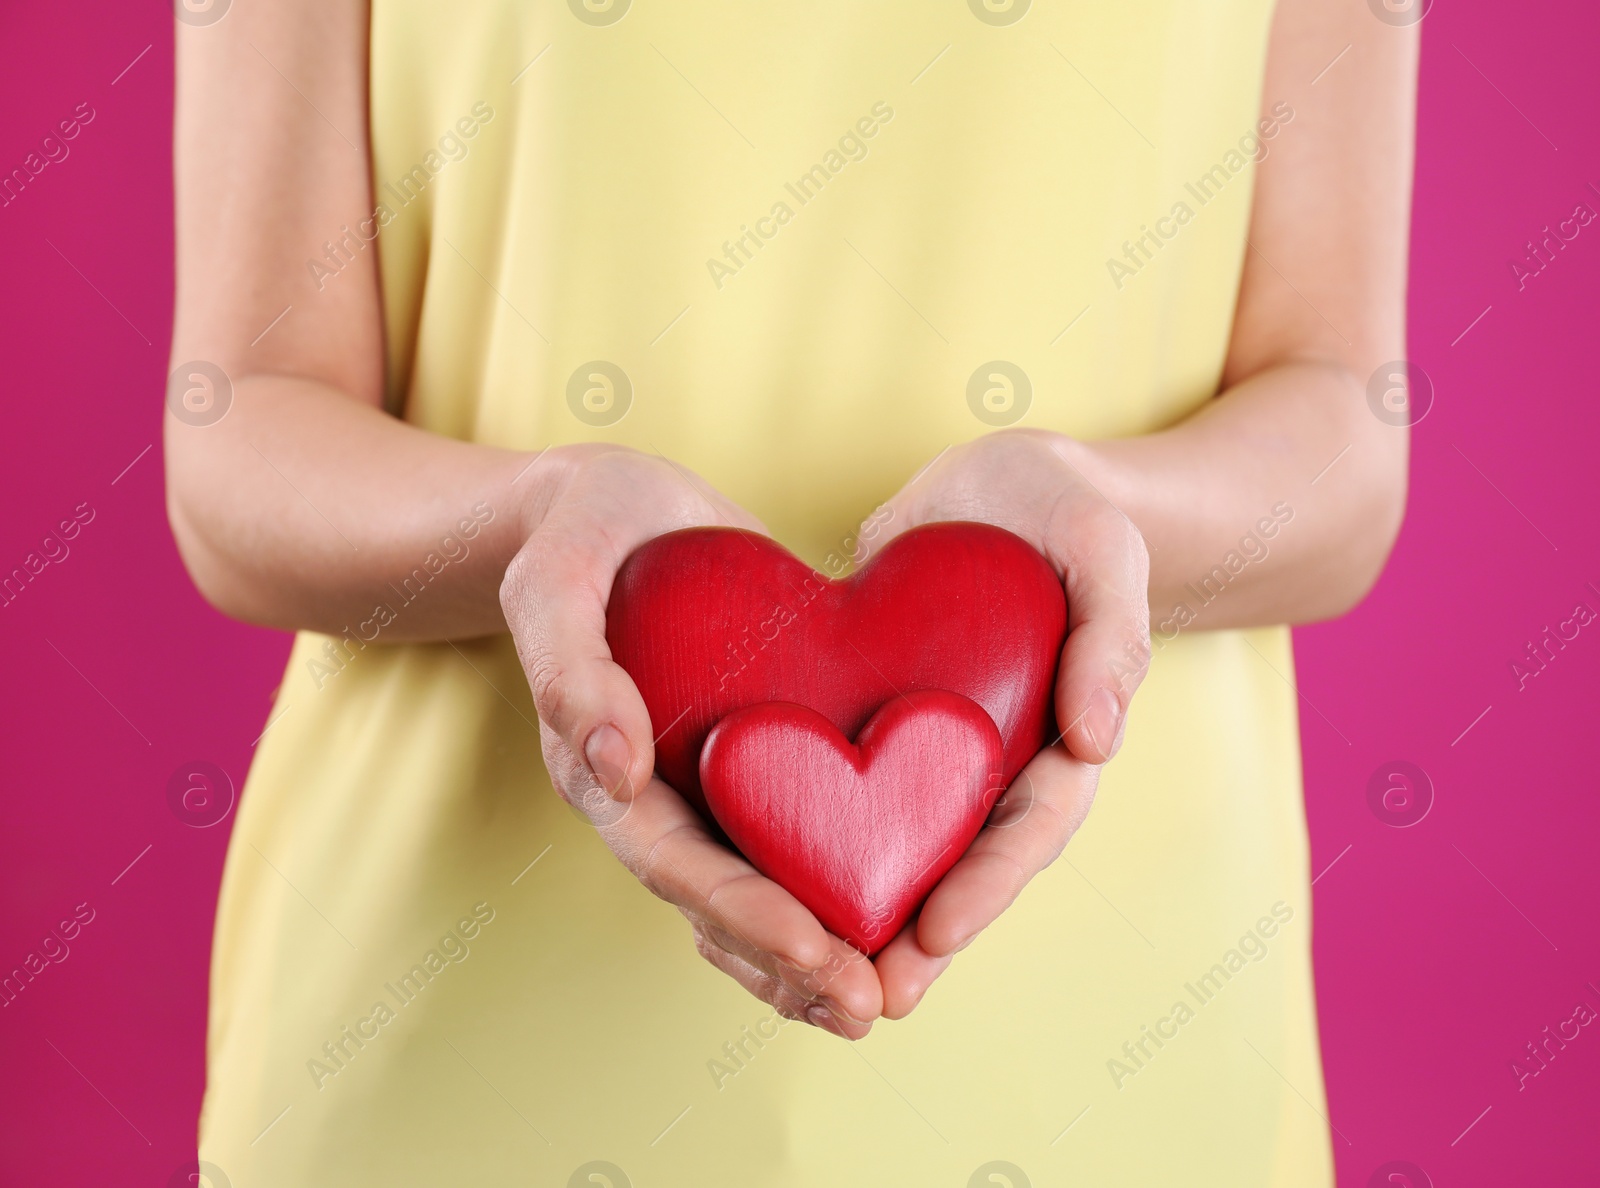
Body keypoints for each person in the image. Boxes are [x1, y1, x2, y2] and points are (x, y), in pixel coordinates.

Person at [167, 0, 1414, 1183]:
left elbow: (1343, 439)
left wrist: (1097, 512)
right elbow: (238, 436)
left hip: (1126, 1042)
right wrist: (533, 517)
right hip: (441, 1027)